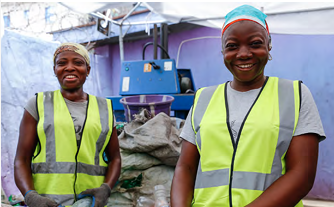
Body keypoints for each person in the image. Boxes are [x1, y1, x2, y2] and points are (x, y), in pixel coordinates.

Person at [171, 4, 326, 207]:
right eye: (232, 46)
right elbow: (186, 168)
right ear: (222, 50)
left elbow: (301, 175)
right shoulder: (203, 99)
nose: (243, 54)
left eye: (255, 43)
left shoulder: (294, 95)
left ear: (269, 45)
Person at [14, 42, 121, 207]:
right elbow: (21, 159)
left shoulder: (105, 108)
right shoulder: (38, 104)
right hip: (48, 203)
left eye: (78, 63)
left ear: (88, 70)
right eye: (62, 63)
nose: (69, 68)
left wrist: (106, 189)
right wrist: (31, 196)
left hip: (90, 203)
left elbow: (115, 158)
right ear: (54, 70)